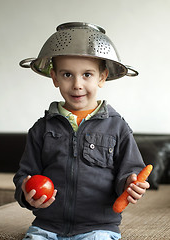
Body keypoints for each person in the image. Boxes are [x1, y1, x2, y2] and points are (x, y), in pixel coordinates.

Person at [13, 22, 150, 240]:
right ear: (54, 77)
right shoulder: (41, 128)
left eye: (87, 74)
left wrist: (130, 184)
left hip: (98, 227)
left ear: (102, 77)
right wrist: (26, 193)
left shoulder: (118, 127)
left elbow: (129, 172)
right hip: (47, 226)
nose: (77, 84)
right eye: (67, 74)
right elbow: (24, 175)